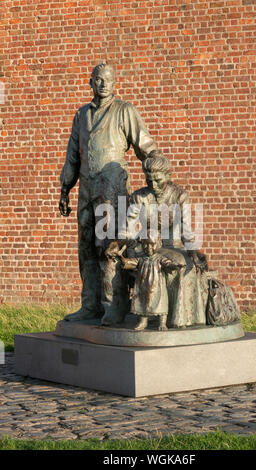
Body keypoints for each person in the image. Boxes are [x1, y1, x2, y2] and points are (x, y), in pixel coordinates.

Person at [59, 63, 157, 323]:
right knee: (86, 248)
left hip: (111, 188)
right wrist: (65, 188)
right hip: (87, 189)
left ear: (115, 83)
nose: (103, 84)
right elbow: (73, 155)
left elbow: (145, 145)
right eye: (98, 80)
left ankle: (112, 306)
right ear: (90, 82)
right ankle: (90, 305)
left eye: (108, 80)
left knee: (109, 247)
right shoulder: (81, 116)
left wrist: (158, 175)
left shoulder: (124, 111)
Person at [111, 152, 209, 328]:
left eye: (158, 180)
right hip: (145, 246)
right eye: (149, 181)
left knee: (181, 263)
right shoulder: (139, 197)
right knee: (138, 262)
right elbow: (128, 228)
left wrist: (194, 252)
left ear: (169, 176)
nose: (153, 185)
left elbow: (186, 230)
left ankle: (177, 318)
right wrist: (117, 245)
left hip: (172, 246)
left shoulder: (179, 196)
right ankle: (141, 314)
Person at [120, 230, 186, 331]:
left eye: (152, 244)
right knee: (143, 303)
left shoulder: (159, 258)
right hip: (143, 286)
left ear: (158, 244)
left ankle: (162, 322)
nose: (148, 248)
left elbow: (168, 264)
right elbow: (131, 263)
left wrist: (175, 266)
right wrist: (123, 259)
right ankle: (143, 322)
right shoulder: (141, 259)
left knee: (160, 303)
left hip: (157, 287)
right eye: (145, 245)